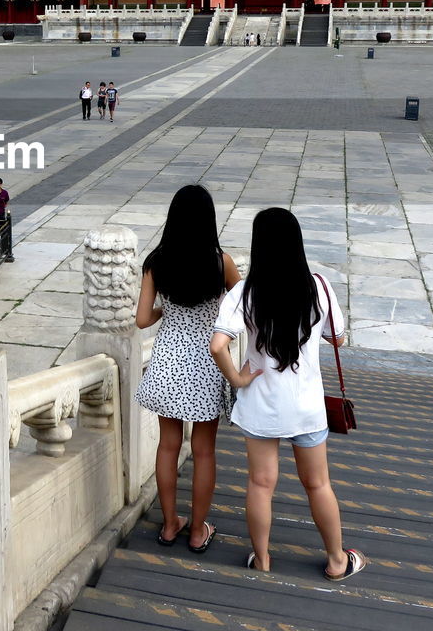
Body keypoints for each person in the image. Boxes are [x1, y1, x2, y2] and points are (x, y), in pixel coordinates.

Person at [209, 207, 365, 581]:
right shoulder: (319, 287)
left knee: (261, 484)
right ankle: (336, 560)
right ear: (297, 243)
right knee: (318, 484)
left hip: (261, 406)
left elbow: (217, 345)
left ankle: (262, 560)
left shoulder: (244, 292)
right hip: (306, 406)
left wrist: (239, 378)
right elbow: (338, 338)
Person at [135, 185, 242, 553]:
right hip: (205, 364)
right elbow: (244, 305)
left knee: (168, 446)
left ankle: (169, 525)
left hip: (167, 359)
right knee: (204, 451)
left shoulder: (156, 261)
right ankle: (198, 531)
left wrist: (171, 310)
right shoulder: (220, 261)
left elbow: (142, 319)